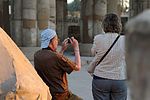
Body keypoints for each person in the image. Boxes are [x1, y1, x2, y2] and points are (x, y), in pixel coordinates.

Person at [34, 28, 82, 100]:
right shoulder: (56, 57)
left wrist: (62, 50)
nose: (57, 41)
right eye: (56, 39)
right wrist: (76, 48)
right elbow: (77, 67)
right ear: (51, 41)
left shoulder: (37, 55)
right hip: (60, 95)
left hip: (47, 92)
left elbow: (55, 62)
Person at [87, 13, 127, 100]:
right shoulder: (125, 40)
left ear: (104, 25)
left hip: (100, 78)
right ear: (119, 25)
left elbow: (93, 52)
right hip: (119, 78)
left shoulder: (98, 38)